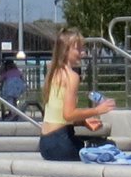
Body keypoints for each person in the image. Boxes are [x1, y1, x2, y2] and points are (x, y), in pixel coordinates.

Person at [36, 29, 115, 162]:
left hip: (45, 144)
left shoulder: (52, 73)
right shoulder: (72, 76)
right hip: (62, 144)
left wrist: (82, 122)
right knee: (109, 146)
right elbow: (69, 114)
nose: (82, 52)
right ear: (66, 51)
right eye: (78, 49)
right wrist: (97, 110)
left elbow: (58, 114)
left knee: (98, 145)